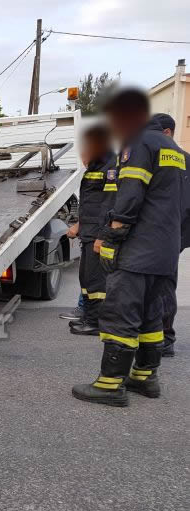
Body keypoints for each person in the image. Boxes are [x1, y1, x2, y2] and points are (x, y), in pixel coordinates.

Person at [72, 87, 184, 406]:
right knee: (150, 316)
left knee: (121, 312)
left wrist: (110, 237)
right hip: (164, 252)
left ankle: (110, 385)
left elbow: (130, 194)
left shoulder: (140, 143)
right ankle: (145, 377)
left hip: (137, 251)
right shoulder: (177, 153)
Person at [68, 120, 117, 336]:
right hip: (88, 234)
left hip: (98, 236)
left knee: (97, 282)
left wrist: (101, 236)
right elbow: (90, 204)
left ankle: (96, 323)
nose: (83, 156)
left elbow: (110, 205)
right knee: (87, 279)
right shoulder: (95, 168)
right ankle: (89, 317)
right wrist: (79, 225)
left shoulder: (110, 168)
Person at [151, 113, 189, 357]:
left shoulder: (175, 160)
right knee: (157, 286)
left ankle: (165, 338)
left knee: (163, 286)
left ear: (167, 133)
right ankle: (157, 335)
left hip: (166, 235)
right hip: (169, 235)